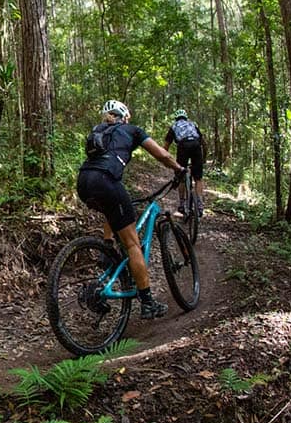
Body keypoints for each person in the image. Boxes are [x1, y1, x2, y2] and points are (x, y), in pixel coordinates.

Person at [77, 100, 186, 319]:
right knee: (132, 243)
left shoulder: (98, 131)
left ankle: (108, 250)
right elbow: (162, 155)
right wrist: (178, 168)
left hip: (83, 181)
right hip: (106, 181)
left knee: (111, 207)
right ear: (125, 117)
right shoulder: (132, 130)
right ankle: (147, 303)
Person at [163, 109, 206, 217]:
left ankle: (182, 205)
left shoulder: (174, 126)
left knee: (181, 175)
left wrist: (164, 159)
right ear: (186, 118)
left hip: (183, 147)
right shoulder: (193, 124)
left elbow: (166, 146)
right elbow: (203, 142)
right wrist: (203, 158)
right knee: (198, 178)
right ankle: (200, 206)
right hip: (196, 146)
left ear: (176, 118)